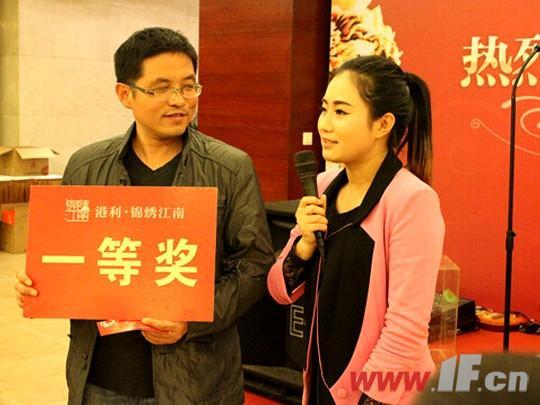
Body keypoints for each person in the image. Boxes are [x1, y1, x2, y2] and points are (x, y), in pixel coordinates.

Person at [15, 27, 274, 405]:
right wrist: (39, 283)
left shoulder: (229, 168)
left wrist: (191, 320)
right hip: (101, 379)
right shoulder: (86, 167)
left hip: (196, 381)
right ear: (125, 94)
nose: (179, 100)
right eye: (161, 88)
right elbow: (68, 257)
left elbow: (254, 264)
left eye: (188, 86)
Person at [267, 55, 445, 405]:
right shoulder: (322, 186)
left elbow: (406, 328)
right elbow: (278, 290)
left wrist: (368, 399)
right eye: (325, 109)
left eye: (341, 112)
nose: (325, 124)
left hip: (378, 394)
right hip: (322, 382)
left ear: (383, 124)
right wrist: (303, 245)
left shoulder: (412, 200)